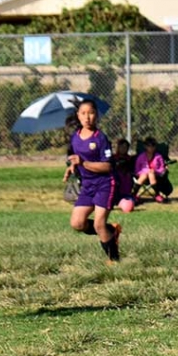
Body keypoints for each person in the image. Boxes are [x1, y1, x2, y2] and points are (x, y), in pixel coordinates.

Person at [63, 99, 121, 262]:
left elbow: (108, 166)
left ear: (96, 116)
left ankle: (115, 260)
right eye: (83, 113)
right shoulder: (75, 138)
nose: (87, 117)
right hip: (87, 185)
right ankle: (111, 230)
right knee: (77, 223)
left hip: (105, 184)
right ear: (78, 115)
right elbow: (75, 159)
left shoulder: (101, 138)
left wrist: (84, 163)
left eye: (91, 113)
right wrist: (71, 168)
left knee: (98, 224)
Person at [134, 136, 168, 203]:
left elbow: (161, 168)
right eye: (149, 146)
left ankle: (157, 195)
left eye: (153, 146)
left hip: (156, 176)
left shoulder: (158, 156)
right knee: (145, 174)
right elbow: (137, 168)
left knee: (151, 173)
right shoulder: (141, 156)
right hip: (142, 175)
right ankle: (133, 195)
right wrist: (145, 171)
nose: (151, 148)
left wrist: (155, 171)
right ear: (145, 146)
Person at [111, 138, 134, 205]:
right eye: (121, 147)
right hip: (116, 175)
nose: (123, 149)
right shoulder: (113, 158)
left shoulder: (129, 159)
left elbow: (131, 169)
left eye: (125, 147)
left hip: (126, 176)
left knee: (128, 176)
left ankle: (126, 196)